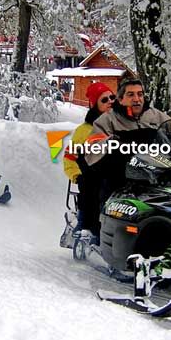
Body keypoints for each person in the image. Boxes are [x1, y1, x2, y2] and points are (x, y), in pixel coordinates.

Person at [81, 78, 171, 242]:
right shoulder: (108, 119)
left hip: (156, 171)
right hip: (121, 173)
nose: (137, 99)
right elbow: (93, 146)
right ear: (121, 99)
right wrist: (110, 143)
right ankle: (104, 233)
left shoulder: (157, 116)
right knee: (105, 185)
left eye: (140, 94)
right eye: (131, 95)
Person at [63, 82, 115, 239]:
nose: (110, 102)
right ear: (95, 105)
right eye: (104, 100)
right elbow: (70, 157)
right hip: (92, 175)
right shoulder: (84, 130)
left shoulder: (122, 124)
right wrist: (76, 175)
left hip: (118, 172)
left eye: (112, 97)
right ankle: (86, 225)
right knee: (93, 186)